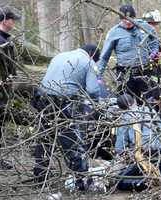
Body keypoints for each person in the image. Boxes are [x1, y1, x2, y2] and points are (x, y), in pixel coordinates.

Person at [32, 44, 107, 190]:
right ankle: (82, 181)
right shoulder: (88, 62)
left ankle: (40, 176)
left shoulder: (59, 56)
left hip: (42, 99)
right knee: (73, 142)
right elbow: (93, 90)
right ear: (92, 56)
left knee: (45, 139)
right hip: (63, 102)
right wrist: (98, 107)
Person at [97, 4, 159, 102]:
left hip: (144, 71)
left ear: (134, 17)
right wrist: (98, 75)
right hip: (125, 74)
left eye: (130, 18)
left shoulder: (145, 27)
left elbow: (155, 41)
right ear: (120, 19)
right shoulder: (114, 33)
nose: (127, 21)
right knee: (126, 102)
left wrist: (154, 51)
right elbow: (104, 57)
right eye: (124, 19)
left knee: (147, 101)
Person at [0, 7, 21, 170]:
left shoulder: (6, 39)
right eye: (12, 19)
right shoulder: (0, 41)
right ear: (5, 20)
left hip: (5, 90)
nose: (14, 22)